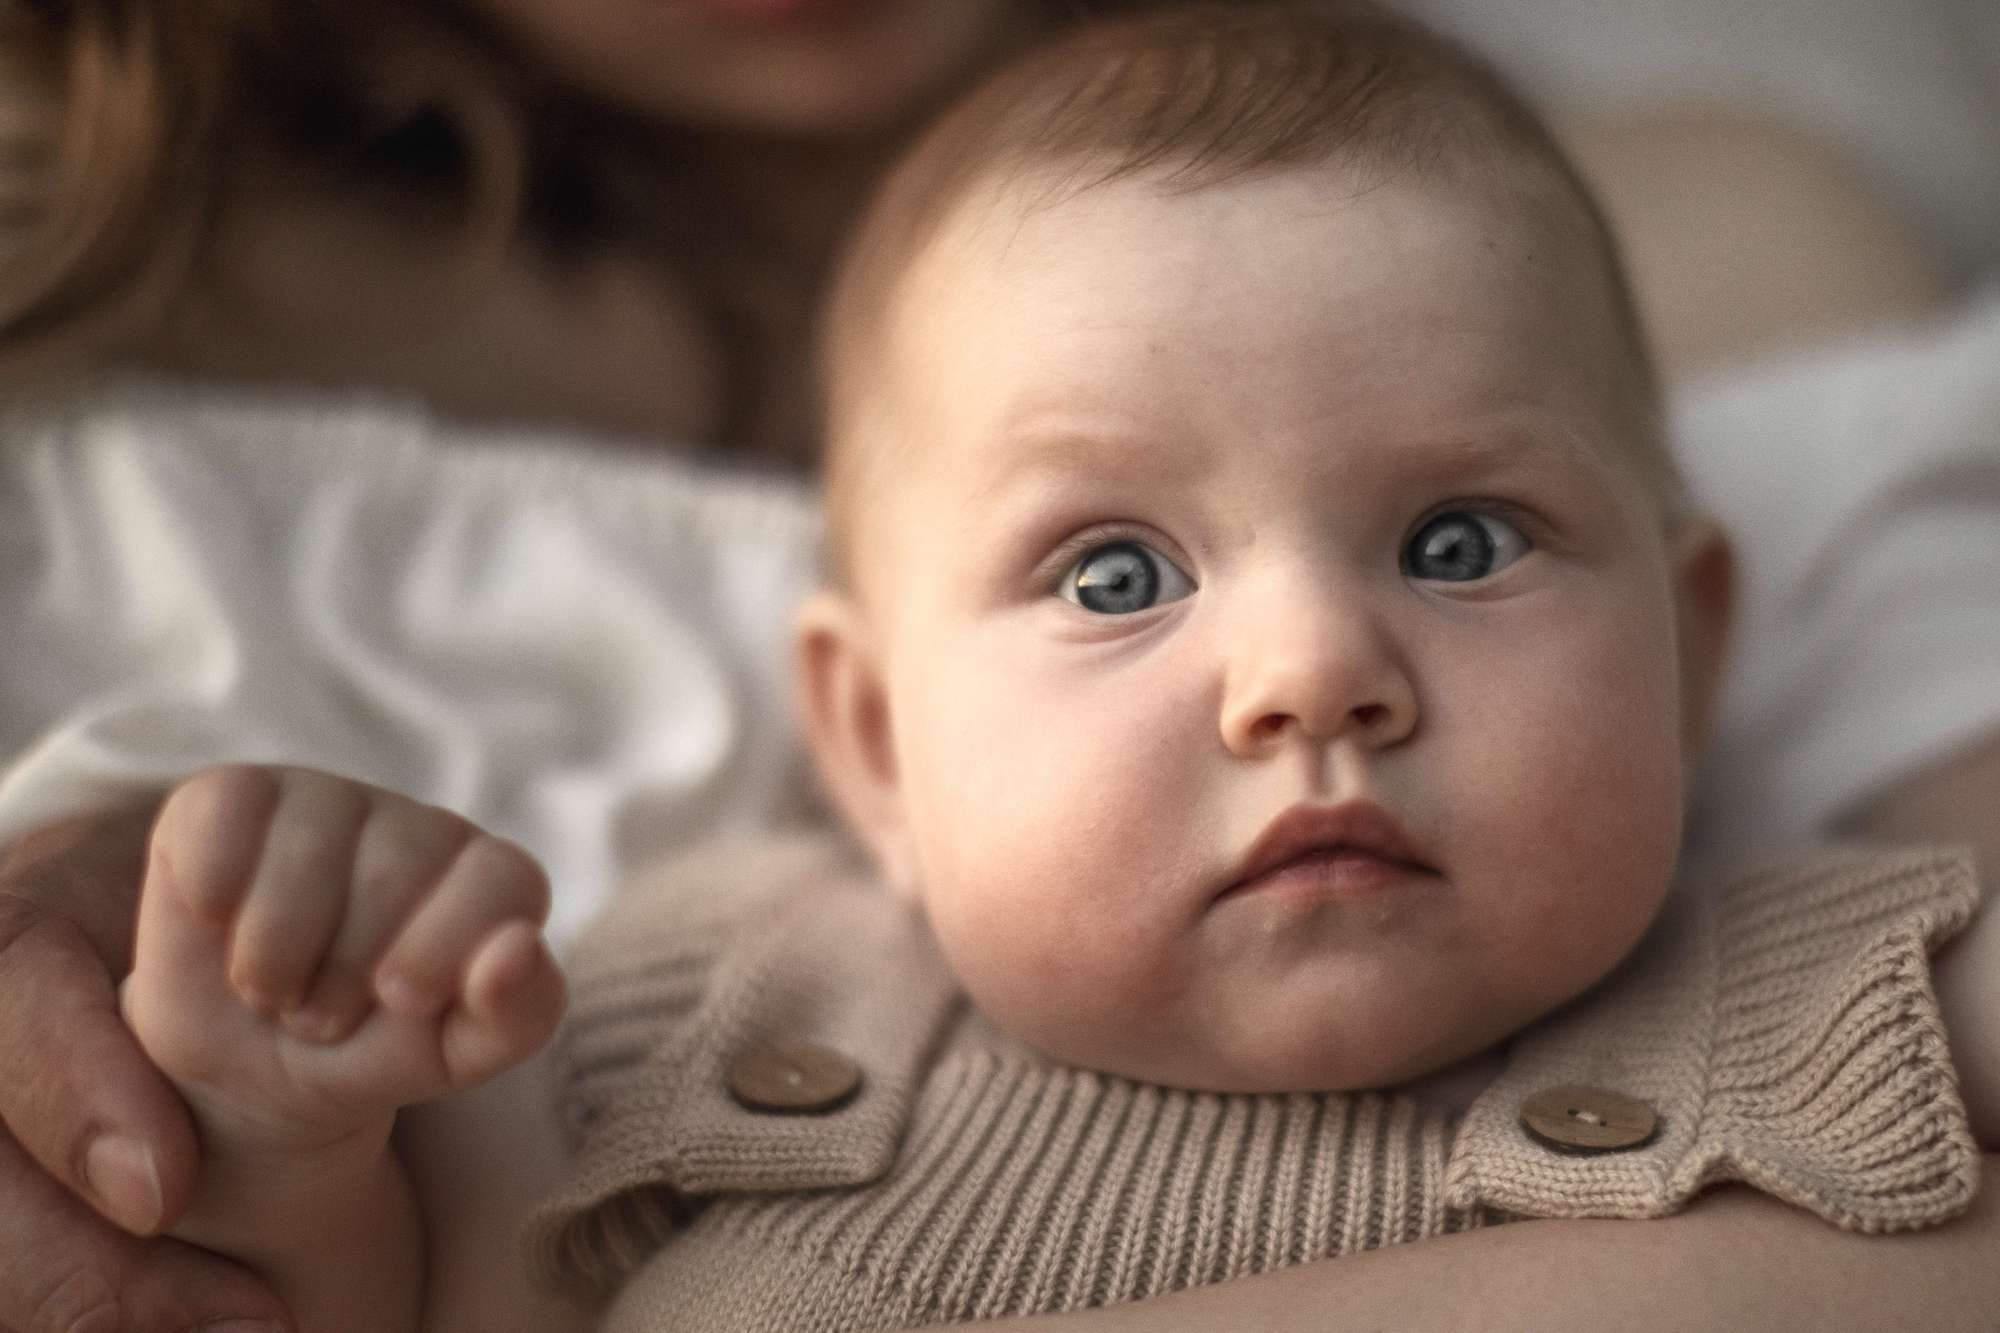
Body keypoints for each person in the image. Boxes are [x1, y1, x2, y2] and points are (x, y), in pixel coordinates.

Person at [3, 0, 1999, 1330]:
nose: (1308, 670)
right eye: (1115, 572)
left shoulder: (1838, 983)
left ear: (1692, 637)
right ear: (867, 738)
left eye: (1458, 542)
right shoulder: (677, 1001)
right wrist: (279, 1093)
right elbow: (382, 1297)